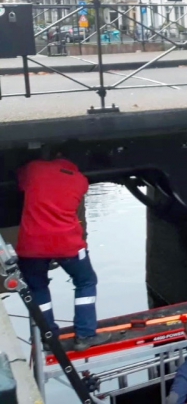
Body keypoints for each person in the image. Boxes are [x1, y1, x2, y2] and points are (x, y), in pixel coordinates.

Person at [17, 149, 110, 351]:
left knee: (38, 288)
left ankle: (49, 338)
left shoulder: (34, 169)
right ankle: (85, 335)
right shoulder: (80, 181)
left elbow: (21, 182)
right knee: (86, 281)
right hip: (68, 245)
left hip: (32, 246)